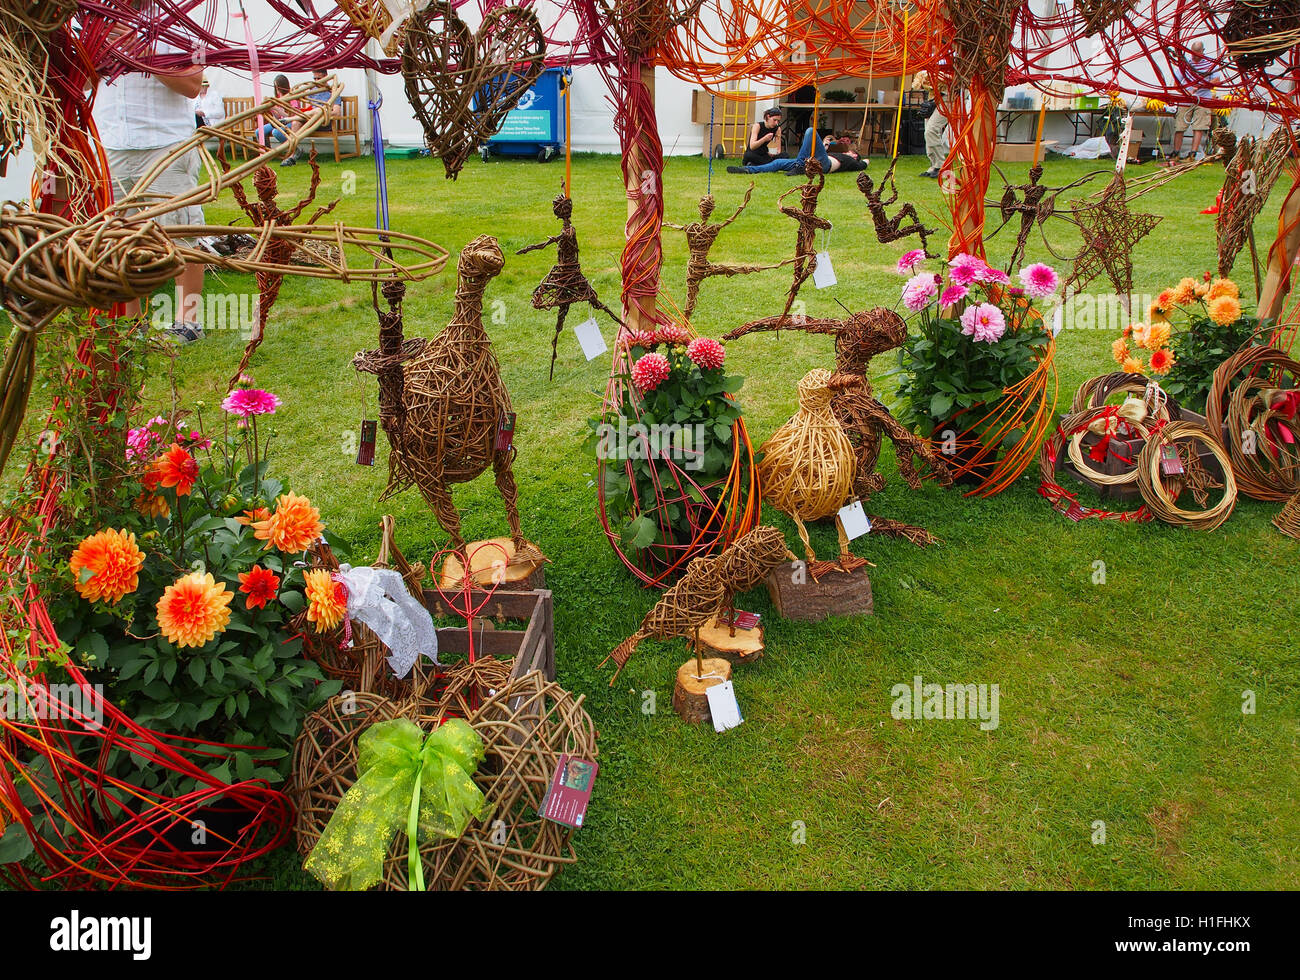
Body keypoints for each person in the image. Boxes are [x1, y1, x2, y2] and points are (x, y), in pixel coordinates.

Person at [92, 29, 206, 343]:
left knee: (181, 234)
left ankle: (189, 323)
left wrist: (139, 50)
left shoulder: (180, 26)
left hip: (165, 143)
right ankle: (133, 322)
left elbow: (192, 85)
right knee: (120, 237)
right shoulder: (97, 23)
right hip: (111, 142)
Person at [1169, 41, 1224, 164]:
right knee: (1180, 126)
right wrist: (1186, 92)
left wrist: (1200, 86)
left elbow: (1216, 80)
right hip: (1186, 100)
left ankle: (1192, 155)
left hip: (1203, 100)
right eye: (1192, 54)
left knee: (1199, 127)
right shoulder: (1185, 64)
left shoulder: (1210, 64)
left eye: (1197, 54)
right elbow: (1176, 84)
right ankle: (1176, 153)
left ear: (1202, 51)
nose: (1194, 57)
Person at [728, 126, 862, 175]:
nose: (848, 152)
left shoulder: (851, 161)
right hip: (812, 161)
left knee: (811, 131)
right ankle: (748, 170)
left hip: (824, 165)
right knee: (779, 162)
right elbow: (820, 151)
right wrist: (824, 145)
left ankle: (798, 165)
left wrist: (863, 161)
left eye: (851, 152)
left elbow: (864, 162)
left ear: (854, 156)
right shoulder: (839, 154)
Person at [281, 68, 343, 167]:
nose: (316, 81)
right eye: (314, 79)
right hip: (309, 121)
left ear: (326, 78)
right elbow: (307, 109)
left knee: (319, 110)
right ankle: (291, 156)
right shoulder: (312, 92)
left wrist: (323, 112)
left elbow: (336, 112)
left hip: (323, 123)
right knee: (295, 123)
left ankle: (288, 119)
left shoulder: (333, 92)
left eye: (319, 78)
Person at [259, 74, 299, 165]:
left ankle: (294, 149)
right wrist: (271, 109)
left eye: (278, 87)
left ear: (283, 86)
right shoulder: (278, 97)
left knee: (276, 132)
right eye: (275, 86)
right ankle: (268, 154)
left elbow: (290, 116)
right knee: (259, 131)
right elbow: (277, 117)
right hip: (279, 122)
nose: (277, 89)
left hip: (290, 121)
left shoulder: (292, 97)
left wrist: (276, 109)